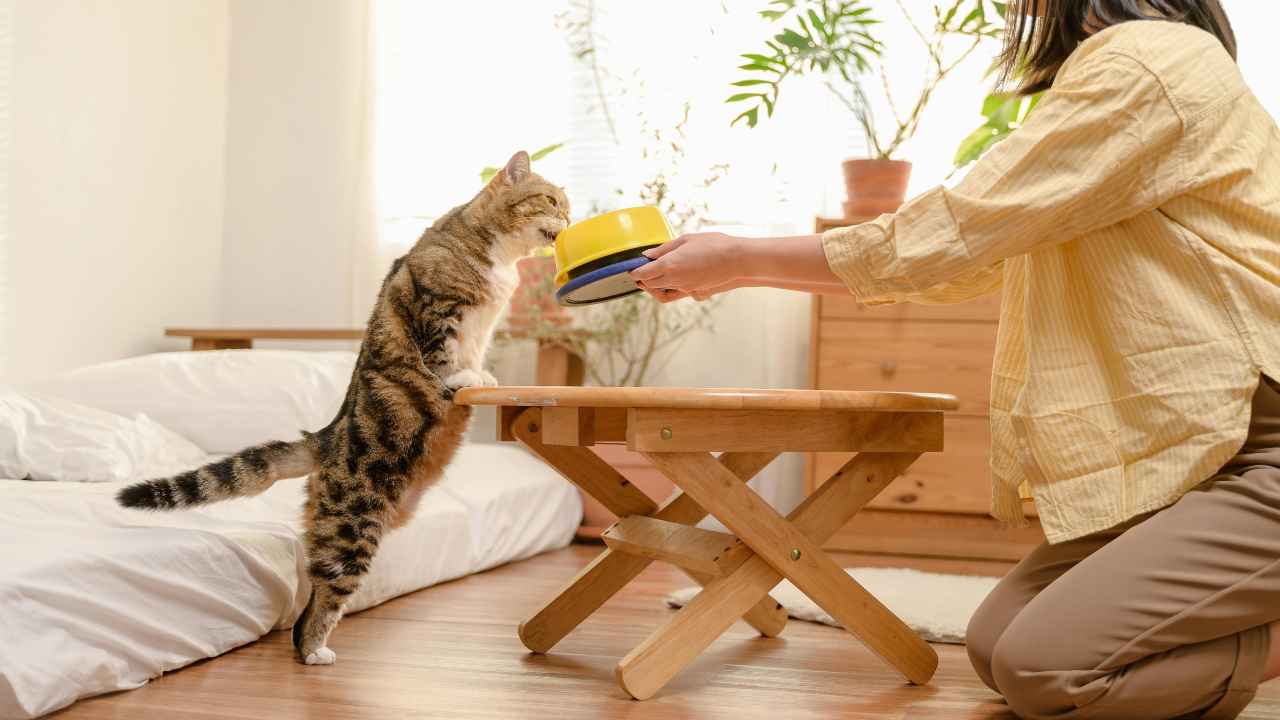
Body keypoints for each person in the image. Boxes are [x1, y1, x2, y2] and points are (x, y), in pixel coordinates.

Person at [630, 1, 1280, 717]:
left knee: (1045, 669)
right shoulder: (1133, 68)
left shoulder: (1151, 61)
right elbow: (972, 254)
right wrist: (739, 262)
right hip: (1212, 447)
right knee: (995, 644)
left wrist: (743, 258)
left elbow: (957, 231)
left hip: (1264, 443)